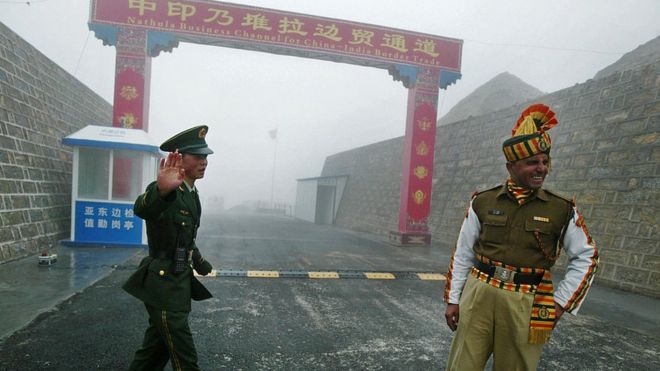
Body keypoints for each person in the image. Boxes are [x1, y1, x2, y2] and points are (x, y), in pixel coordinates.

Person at [443, 104, 599, 370]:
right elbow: (463, 252)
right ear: (511, 166)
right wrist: (453, 298)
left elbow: (587, 256)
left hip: (527, 301)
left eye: (544, 161)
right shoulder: (483, 201)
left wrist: (560, 304)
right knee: (462, 365)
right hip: (479, 293)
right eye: (532, 163)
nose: (541, 169)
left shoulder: (561, 208)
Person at [123, 125, 215, 371]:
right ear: (179, 158)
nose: (204, 161)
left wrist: (199, 261)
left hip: (178, 283)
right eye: (197, 156)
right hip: (163, 284)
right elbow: (142, 208)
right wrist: (161, 190)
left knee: (155, 351)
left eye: (205, 156)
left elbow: (184, 237)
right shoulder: (167, 190)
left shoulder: (191, 193)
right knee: (185, 357)